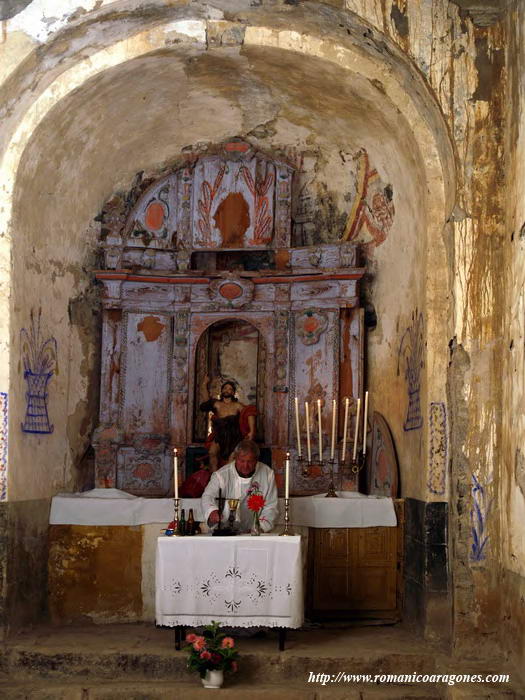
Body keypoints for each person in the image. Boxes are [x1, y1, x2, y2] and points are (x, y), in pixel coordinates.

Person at [201, 440, 279, 533]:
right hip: (225, 531)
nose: (245, 466)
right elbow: (208, 496)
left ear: (256, 460)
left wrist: (260, 527)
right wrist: (212, 511)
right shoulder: (221, 475)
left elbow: (271, 506)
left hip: (255, 533)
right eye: (242, 461)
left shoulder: (267, 474)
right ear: (236, 458)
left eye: (250, 461)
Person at [200, 379, 256, 471]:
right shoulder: (217, 404)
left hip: (234, 436)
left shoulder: (237, 405)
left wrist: (252, 431)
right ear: (222, 391)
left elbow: (250, 413)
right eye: (225, 388)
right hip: (220, 435)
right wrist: (204, 384)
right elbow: (206, 402)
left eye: (230, 389)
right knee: (212, 453)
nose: (227, 390)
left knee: (231, 461)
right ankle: (214, 478)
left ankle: (228, 481)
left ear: (233, 392)